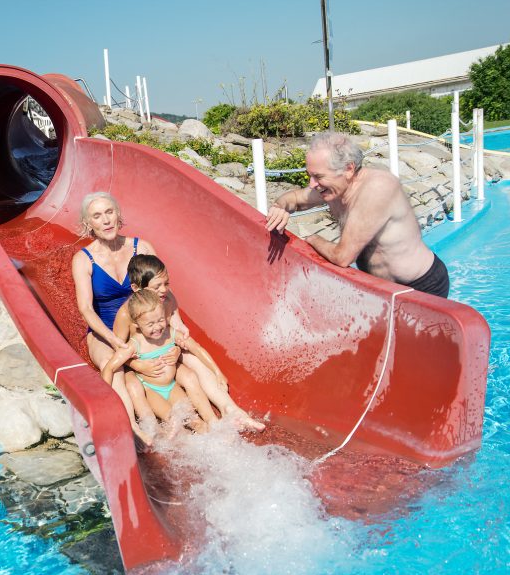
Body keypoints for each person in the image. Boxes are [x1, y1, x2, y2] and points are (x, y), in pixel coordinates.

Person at [265, 131, 449, 298]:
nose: (312, 184)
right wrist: (279, 206)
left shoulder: (376, 189)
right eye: (310, 176)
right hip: (383, 289)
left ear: (349, 169)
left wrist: (312, 239)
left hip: (422, 286)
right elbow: (295, 197)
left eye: (319, 177)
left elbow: (343, 256)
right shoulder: (334, 188)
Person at [113, 254, 265, 432]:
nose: (163, 290)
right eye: (157, 287)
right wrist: (139, 365)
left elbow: (179, 333)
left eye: (166, 284)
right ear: (137, 289)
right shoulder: (126, 314)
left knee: (193, 361)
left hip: (167, 357)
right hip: (145, 368)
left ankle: (229, 410)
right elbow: (118, 350)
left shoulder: (167, 299)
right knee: (145, 393)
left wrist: (177, 349)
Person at [71, 192, 161, 441]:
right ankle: (132, 428)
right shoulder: (83, 259)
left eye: (109, 212)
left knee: (176, 355)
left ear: (118, 215)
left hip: (140, 327)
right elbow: (86, 309)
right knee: (115, 365)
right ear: (89, 224)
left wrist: (178, 327)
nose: (106, 220)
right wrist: (113, 340)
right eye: (97, 216)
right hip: (104, 332)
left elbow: (164, 290)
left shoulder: (140, 248)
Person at [102, 289, 224, 432]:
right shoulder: (135, 344)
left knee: (195, 421)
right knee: (174, 423)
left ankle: (216, 442)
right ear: (137, 325)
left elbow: (197, 348)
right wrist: (106, 397)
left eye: (160, 320)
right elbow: (109, 367)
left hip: (172, 387)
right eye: (150, 324)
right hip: (151, 390)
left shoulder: (170, 334)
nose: (157, 327)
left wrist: (218, 372)